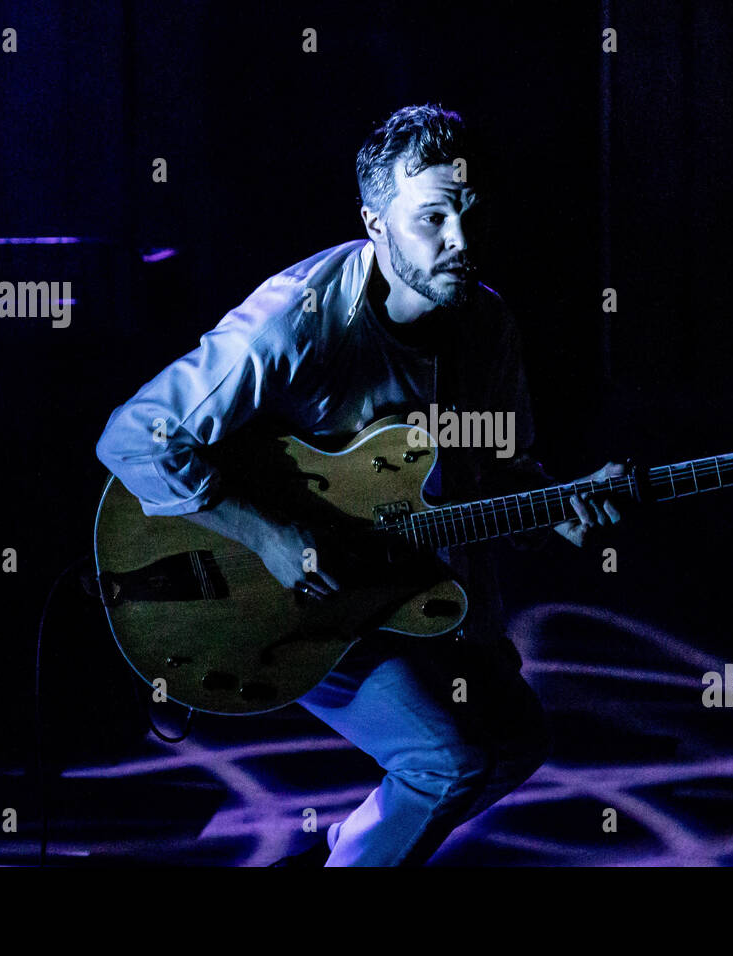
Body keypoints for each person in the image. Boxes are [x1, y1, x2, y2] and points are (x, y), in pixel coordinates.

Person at [96, 104, 625, 865]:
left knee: (515, 738)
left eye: (470, 216)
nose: (461, 243)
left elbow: (502, 477)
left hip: (400, 586)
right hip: (268, 589)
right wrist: (269, 535)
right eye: (432, 218)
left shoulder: (488, 326)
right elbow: (133, 436)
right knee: (450, 758)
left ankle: (347, 853)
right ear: (375, 223)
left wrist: (553, 506)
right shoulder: (295, 322)